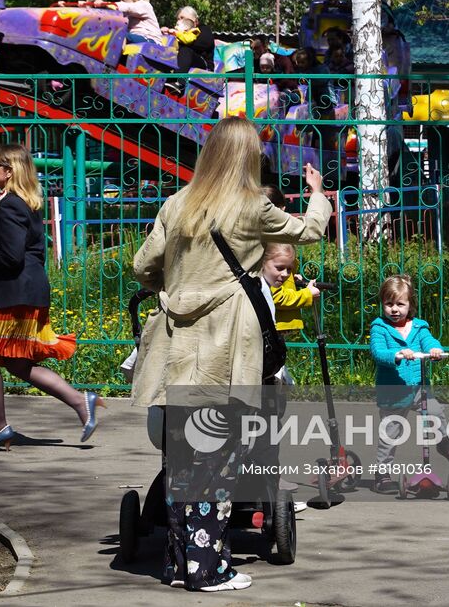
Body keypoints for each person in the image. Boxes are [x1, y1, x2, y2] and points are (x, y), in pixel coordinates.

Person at [131, 117, 331, 592]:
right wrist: (320, 194)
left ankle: (179, 564)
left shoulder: (176, 204)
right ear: (248, 158)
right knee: (217, 461)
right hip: (225, 347)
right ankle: (207, 569)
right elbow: (309, 231)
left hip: (178, 343)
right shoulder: (251, 207)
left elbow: (142, 266)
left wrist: (175, 286)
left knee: (183, 460)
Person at [0, 144, 100, 450]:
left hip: (15, 294)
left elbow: (12, 257)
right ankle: (79, 401)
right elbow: (24, 256)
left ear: (9, 171)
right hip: (21, 289)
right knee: (17, 363)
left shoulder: (10, 206)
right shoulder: (18, 203)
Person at [369, 274, 449, 494]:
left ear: (410, 305)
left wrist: (435, 349)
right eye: (389, 304)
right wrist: (397, 354)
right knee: (390, 434)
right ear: (382, 303)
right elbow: (378, 352)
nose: (394, 309)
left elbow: (429, 341)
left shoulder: (419, 327)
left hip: (419, 387)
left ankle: (444, 443)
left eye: (400, 304)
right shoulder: (379, 328)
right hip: (393, 393)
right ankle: (382, 474)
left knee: (436, 411)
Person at [169, 6, 215, 73]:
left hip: (202, 65)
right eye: (178, 19)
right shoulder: (179, 33)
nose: (179, 21)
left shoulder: (203, 30)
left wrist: (178, 41)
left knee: (186, 50)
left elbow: (202, 43)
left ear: (195, 21)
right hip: (181, 63)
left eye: (182, 18)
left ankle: (179, 78)